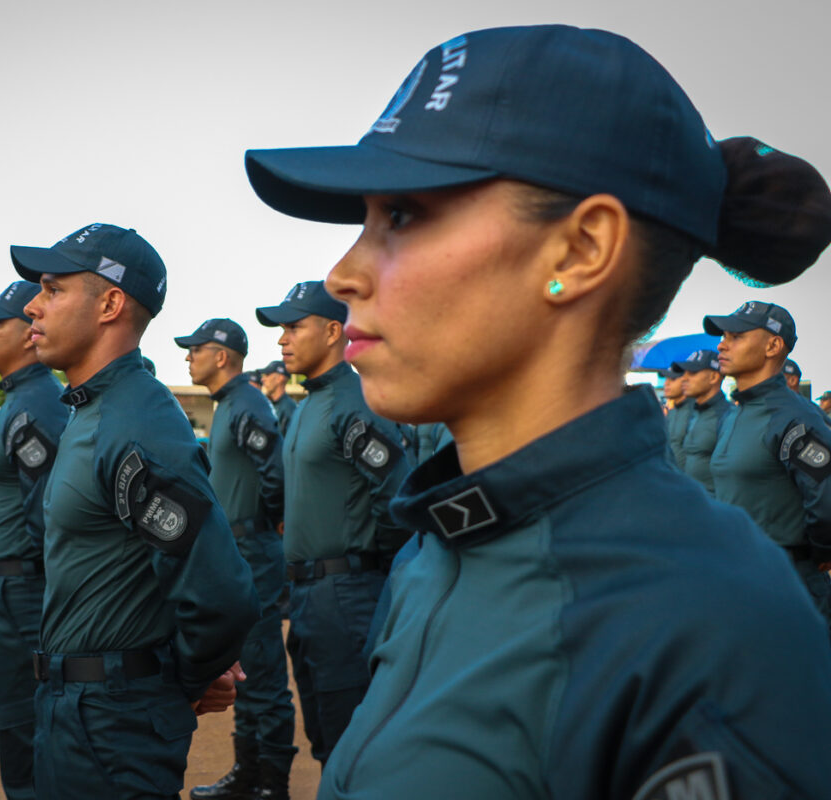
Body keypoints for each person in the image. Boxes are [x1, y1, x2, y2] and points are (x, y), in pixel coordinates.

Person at [243, 23, 831, 798]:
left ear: (579, 251)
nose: (344, 272)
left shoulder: (711, 629)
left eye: (405, 216)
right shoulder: (441, 546)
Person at [10, 222, 259, 799]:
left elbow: (220, 591)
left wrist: (186, 679)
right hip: (81, 707)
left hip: (110, 721)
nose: (32, 306)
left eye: (51, 289)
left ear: (111, 304)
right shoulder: (94, 408)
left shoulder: (133, 422)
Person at [255, 280, 413, 767]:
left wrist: (372, 572)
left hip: (347, 593)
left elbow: (394, 496)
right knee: (326, 737)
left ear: (331, 332)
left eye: (293, 327)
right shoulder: (307, 406)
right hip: (308, 595)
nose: (282, 339)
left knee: (353, 743)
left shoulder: (356, 401)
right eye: (280, 329)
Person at [175, 319, 295, 800]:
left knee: (264, 674)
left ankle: (272, 785)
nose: (188, 357)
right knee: (242, 665)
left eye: (196, 349)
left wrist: (263, 526)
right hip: (239, 554)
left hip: (255, 554)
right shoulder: (229, 404)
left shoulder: (246, 404)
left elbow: (275, 476)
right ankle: (248, 775)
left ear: (222, 356)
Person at [0, 281, 68, 800]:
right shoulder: (22, 401)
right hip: (13, 592)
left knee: (26, 735)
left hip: (26, 596)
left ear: (30, 334)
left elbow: (50, 521)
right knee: (19, 729)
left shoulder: (34, 407)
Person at [704, 302, 831, 624]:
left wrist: (818, 553)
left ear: (773, 346)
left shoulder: (792, 417)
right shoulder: (736, 413)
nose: (722, 343)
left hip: (786, 582)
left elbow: (826, 496)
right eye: (724, 336)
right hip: (737, 574)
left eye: (736, 336)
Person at [668, 350, 730, 496]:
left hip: (713, 508)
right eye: (684, 373)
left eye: (693, 373)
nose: (684, 379)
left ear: (714, 377)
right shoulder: (694, 412)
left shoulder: (726, 415)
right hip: (687, 500)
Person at [660, 366, 691, 466]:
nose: (666, 383)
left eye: (672, 379)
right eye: (666, 379)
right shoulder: (672, 413)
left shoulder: (694, 412)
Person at [258, 360, 297, 437]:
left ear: (280, 378)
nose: (263, 379)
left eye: (267, 374)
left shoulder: (289, 408)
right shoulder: (268, 404)